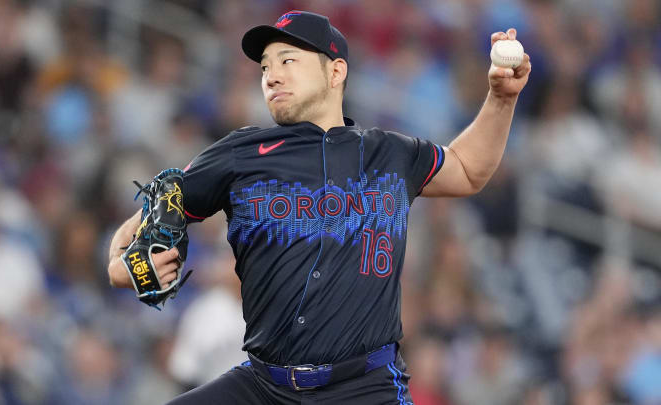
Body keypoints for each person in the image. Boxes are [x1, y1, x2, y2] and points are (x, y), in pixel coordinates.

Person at [107, 10, 531, 404]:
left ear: (336, 71)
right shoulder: (241, 153)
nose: (271, 75)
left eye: (287, 60)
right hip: (265, 386)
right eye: (265, 67)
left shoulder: (389, 154)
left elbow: (467, 170)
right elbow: (155, 213)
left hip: (365, 388)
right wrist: (121, 266)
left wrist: (501, 99)